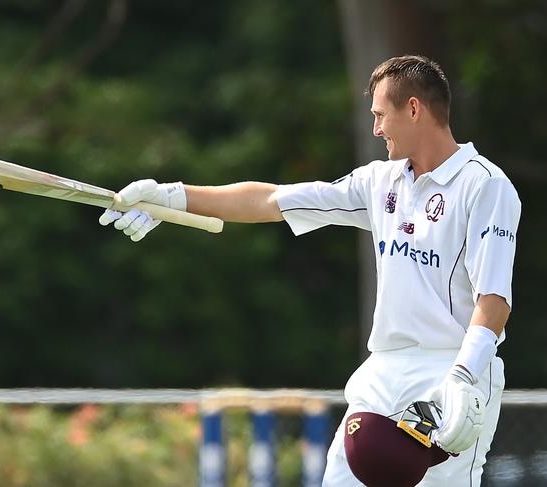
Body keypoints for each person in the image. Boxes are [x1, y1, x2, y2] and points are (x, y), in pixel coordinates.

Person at [99, 55, 521, 486]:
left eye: (380, 115)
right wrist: (171, 197)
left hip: (450, 373)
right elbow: (270, 200)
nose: (376, 129)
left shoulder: (485, 185)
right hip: (382, 373)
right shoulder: (379, 182)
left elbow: (494, 300)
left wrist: (464, 376)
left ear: (413, 109)